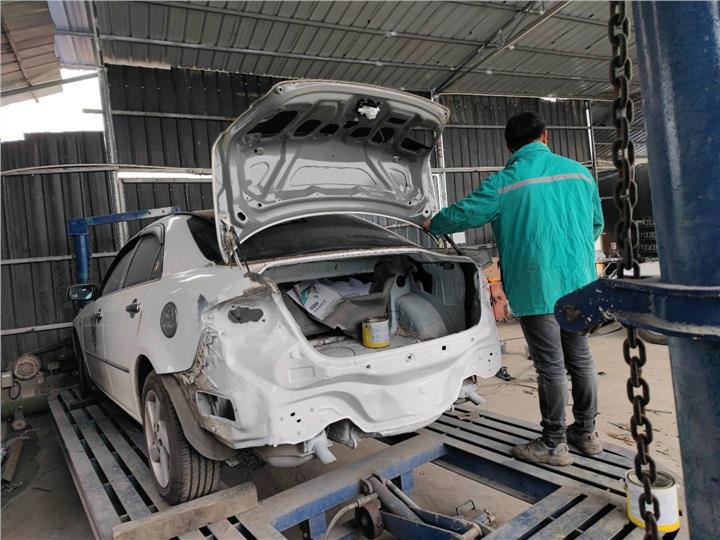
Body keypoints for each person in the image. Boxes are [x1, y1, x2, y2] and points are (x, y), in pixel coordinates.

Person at [424, 112, 604, 466]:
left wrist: (434, 223)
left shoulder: (506, 182)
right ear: (545, 136)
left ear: (509, 146)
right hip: (580, 283)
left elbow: (465, 213)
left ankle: (553, 445)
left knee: (551, 366)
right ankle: (585, 433)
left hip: (537, 285)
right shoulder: (580, 173)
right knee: (580, 359)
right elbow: (596, 223)